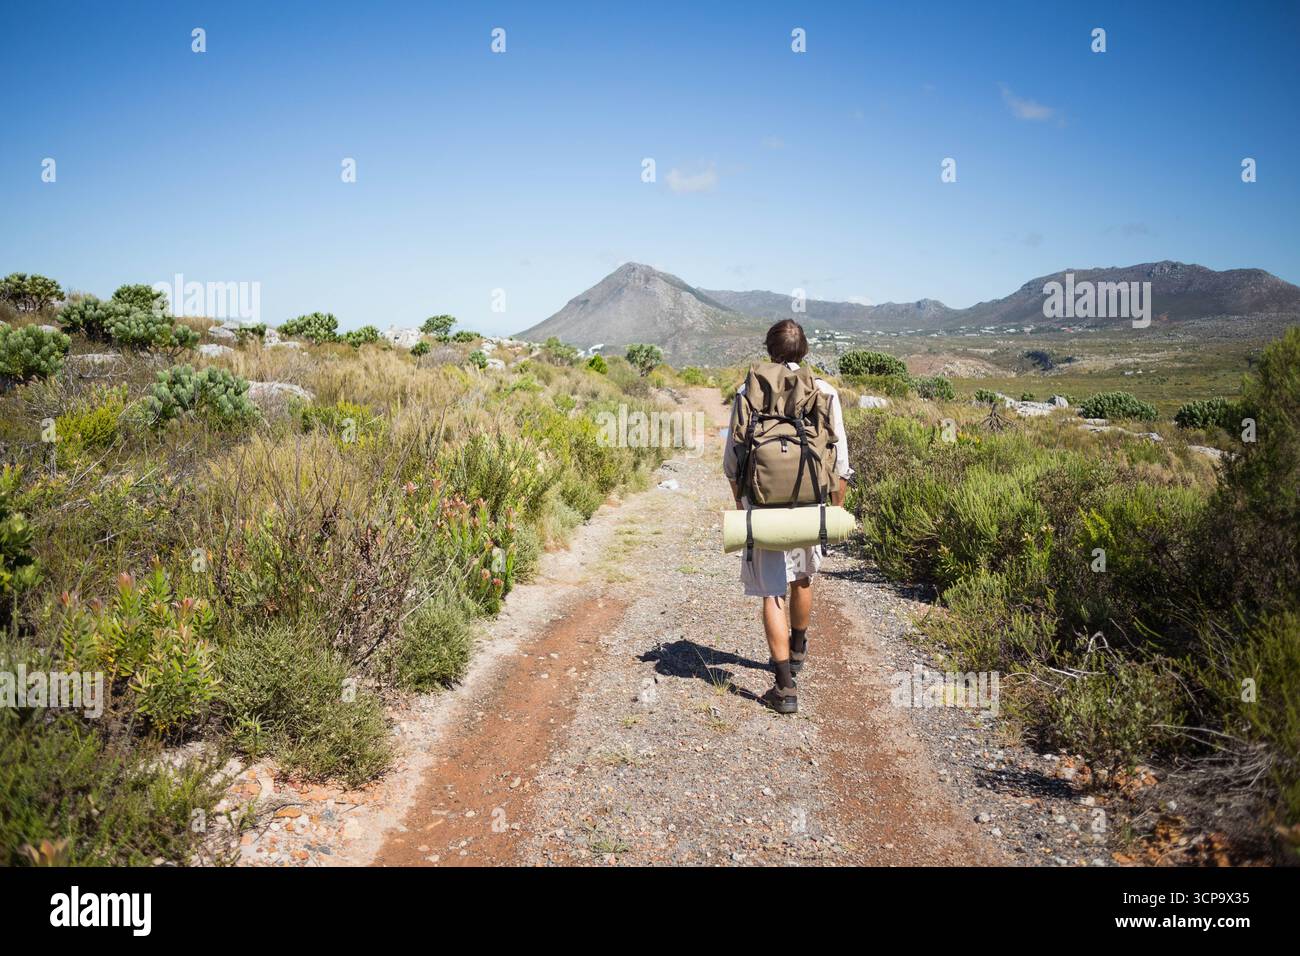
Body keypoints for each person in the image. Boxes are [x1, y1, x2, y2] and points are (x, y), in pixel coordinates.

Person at [722, 319, 852, 714]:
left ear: (769, 349)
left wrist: (745, 506)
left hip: (763, 505)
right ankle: (797, 650)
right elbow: (840, 461)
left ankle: (784, 687)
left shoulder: (749, 391)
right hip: (811, 500)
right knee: (803, 577)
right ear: (805, 351)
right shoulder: (824, 391)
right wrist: (835, 509)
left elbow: (733, 460)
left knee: (771, 593)